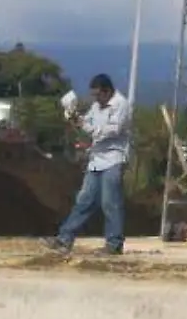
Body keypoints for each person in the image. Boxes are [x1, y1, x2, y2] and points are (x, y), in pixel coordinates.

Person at [44, 73, 130, 255]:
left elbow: (113, 130)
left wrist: (90, 129)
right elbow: (87, 125)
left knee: (110, 203)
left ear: (107, 92)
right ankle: (64, 239)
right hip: (96, 160)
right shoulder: (96, 106)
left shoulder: (121, 104)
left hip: (113, 159)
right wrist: (75, 118)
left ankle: (114, 244)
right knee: (84, 201)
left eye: (98, 95)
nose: (96, 99)